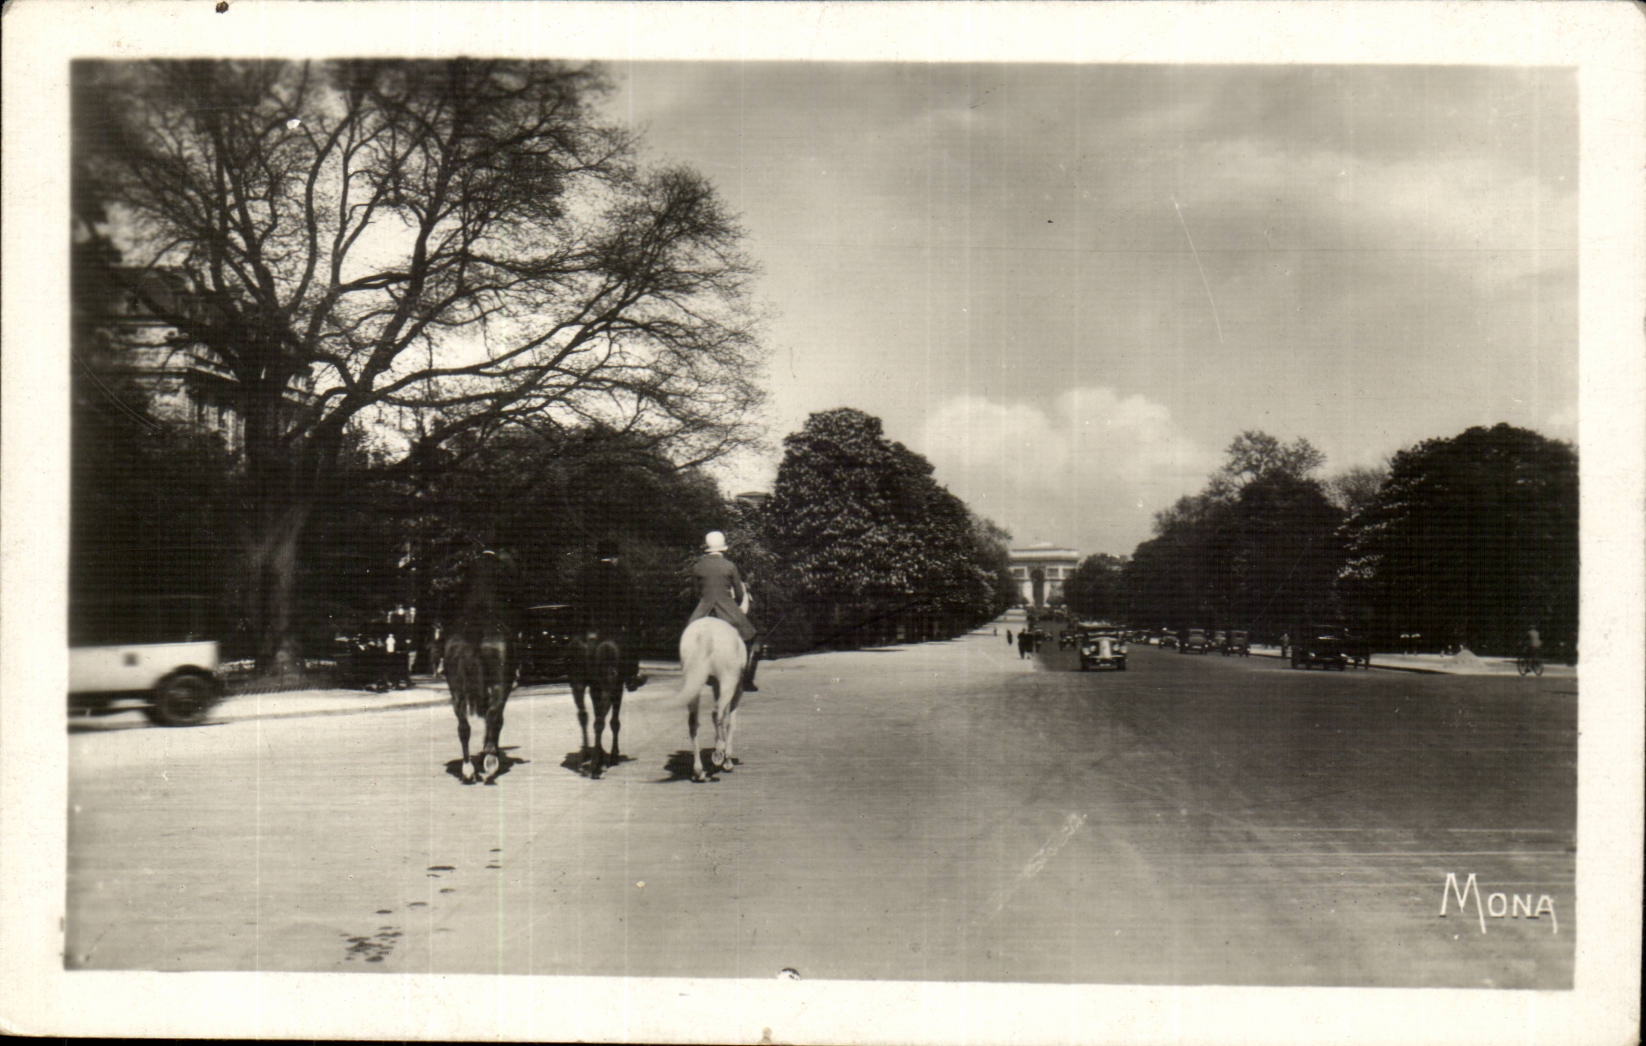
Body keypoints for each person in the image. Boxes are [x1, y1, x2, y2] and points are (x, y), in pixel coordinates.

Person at [687, 530, 762, 692]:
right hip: (726, 609)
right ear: (722, 549)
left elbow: (695, 593)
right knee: (752, 637)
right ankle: (747, 680)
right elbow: (740, 593)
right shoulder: (729, 566)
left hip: (703, 610)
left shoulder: (698, 567)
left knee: (690, 635)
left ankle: (700, 672)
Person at [573, 538, 648, 692]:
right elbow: (632, 601)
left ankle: (578, 675)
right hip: (614, 625)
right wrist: (636, 621)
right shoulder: (622, 572)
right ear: (614, 557)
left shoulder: (585, 572)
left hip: (591, 626)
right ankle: (631, 677)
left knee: (576, 647)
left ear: (598, 555)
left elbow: (577, 600)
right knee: (633, 640)